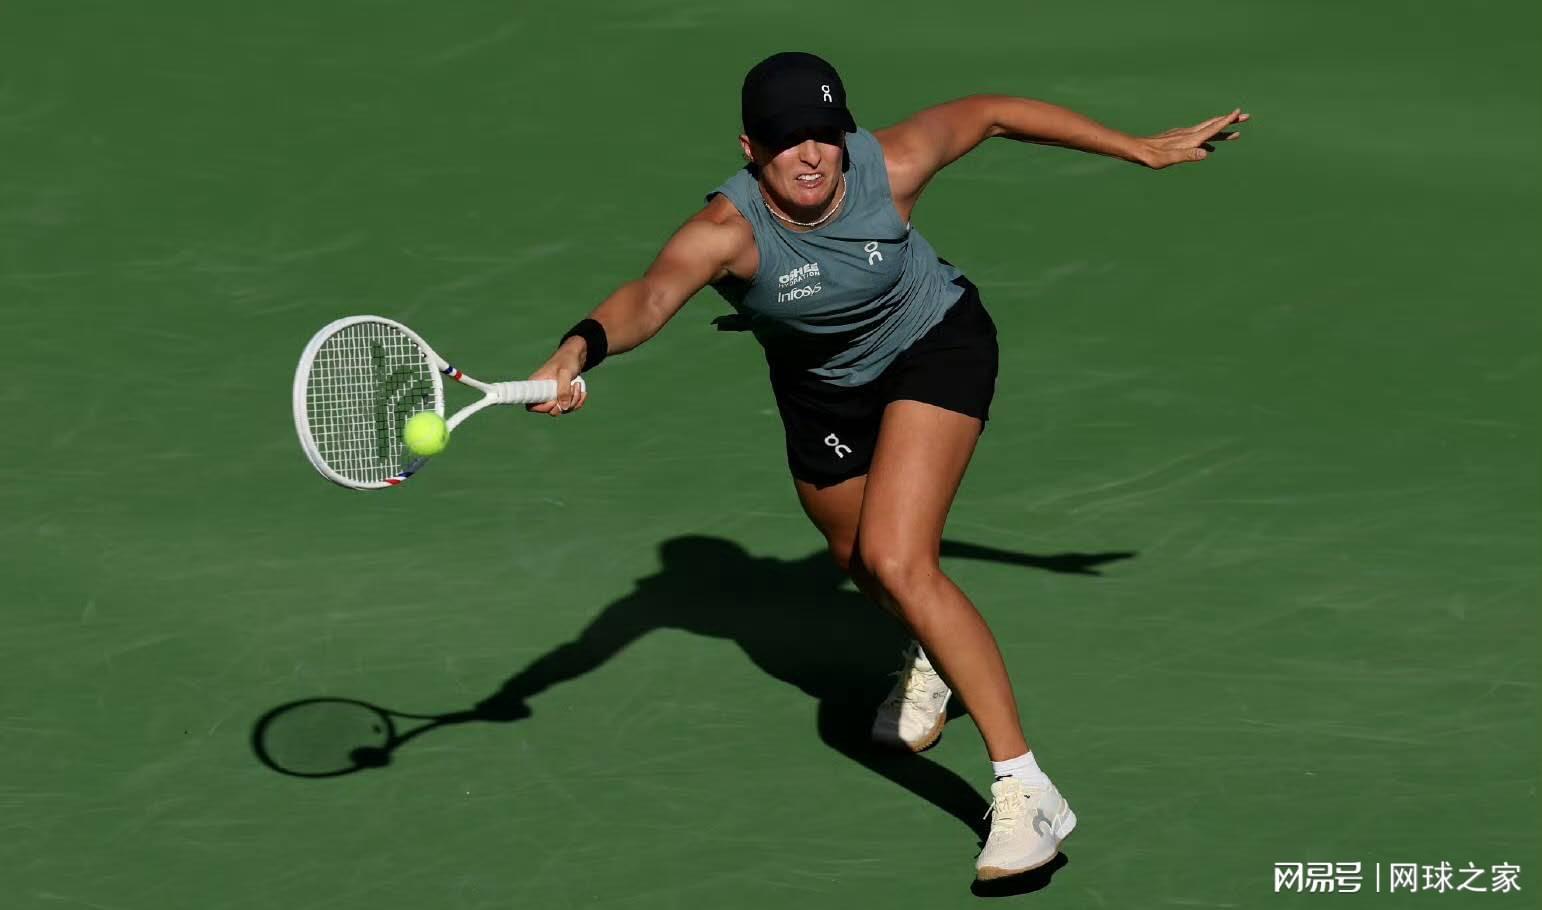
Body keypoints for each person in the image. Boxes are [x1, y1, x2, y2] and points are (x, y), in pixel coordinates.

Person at [524, 51, 1247, 880]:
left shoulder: (890, 166)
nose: (810, 155)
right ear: (751, 148)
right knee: (859, 558)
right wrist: (578, 350)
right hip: (821, 391)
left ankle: (1027, 788)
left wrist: (1139, 148)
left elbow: (992, 111)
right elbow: (649, 297)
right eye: (786, 139)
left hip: (933, 347)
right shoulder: (726, 234)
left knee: (901, 559)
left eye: (824, 134)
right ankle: (934, 657)